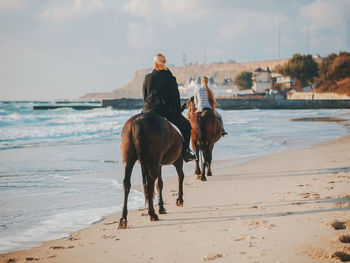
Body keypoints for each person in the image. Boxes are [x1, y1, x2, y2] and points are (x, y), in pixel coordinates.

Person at [142, 53, 196, 162]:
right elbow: (176, 97)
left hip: (149, 110)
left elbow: (145, 95)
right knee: (186, 126)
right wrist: (177, 111)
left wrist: (147, 108)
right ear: (165, 62)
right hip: (166, 112)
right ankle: (186, 151)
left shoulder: (148, 77)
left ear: (154, 63)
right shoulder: (170, 78)